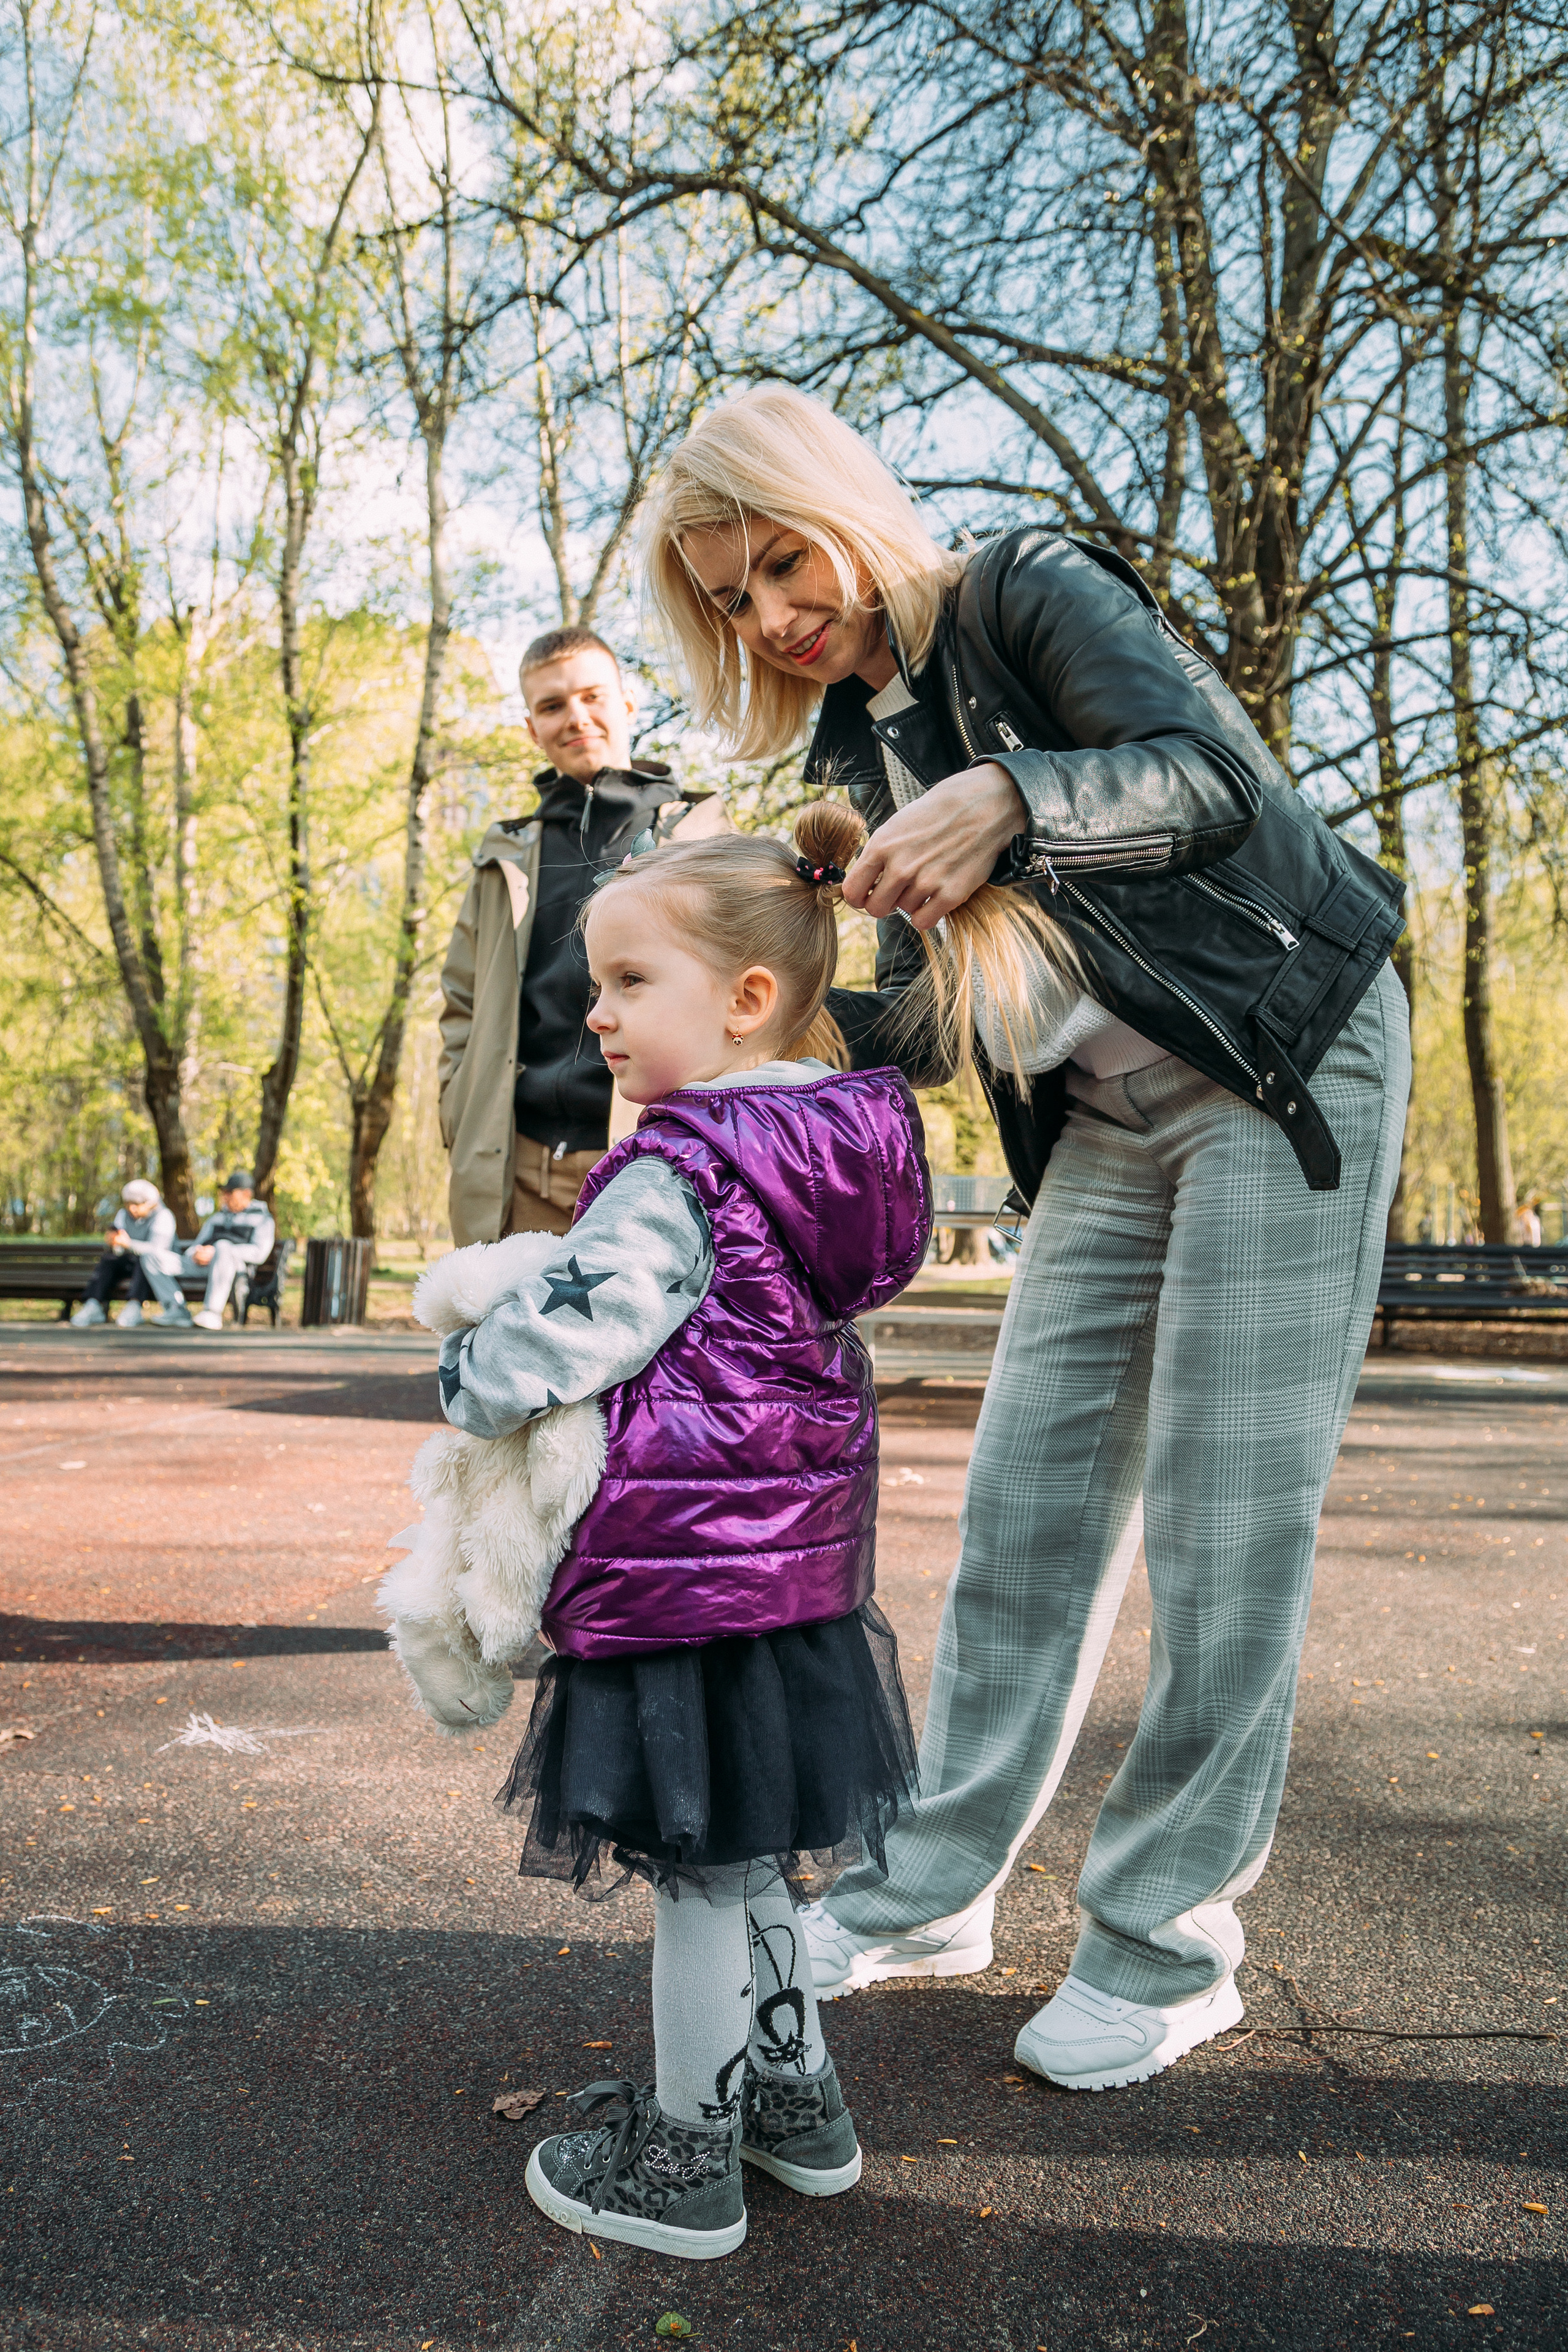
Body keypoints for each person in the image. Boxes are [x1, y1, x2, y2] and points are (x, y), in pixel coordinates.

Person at [641, 384, 1409, 2094]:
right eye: (731, 600)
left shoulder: (1027, 593)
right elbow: (930, 1025)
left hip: (1280, 1054)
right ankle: (929, 1891)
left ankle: (1163, 1942)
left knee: (1226, 1517)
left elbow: (1219, 781)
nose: (774, 615)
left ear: (839, 503)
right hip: (1107, 1125)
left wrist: (1012, 796)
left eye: (780, 563)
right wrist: (759, 983)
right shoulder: (847, 746)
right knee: (1027, 1511)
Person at [432, 803, 929, 2259]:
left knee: (704, 1880)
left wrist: (466, 1369)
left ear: (746, 998)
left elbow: (581, 1329)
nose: (594, 1012)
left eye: (628, 981)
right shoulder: (822, 1152)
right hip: (788, 1582)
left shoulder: (682, 1165)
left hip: (688, 1584)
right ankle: (795, 2109)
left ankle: (682, 2160)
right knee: (758, 1860)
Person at [437, 627, 726, 1250]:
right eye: (552, 706)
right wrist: (460, 1117)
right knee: (503, 1345)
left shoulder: (702, 840)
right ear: (531, 728)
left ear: (626, 704)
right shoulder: (505, 856)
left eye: (592, 697)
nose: (575, 718)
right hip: (513, 1170)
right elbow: (461, 1005)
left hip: (655, 1157)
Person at [70, 1181, 185, 1329]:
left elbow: (157, 1252)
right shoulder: (123, 1215)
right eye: (128, 1204)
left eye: (137, 1204)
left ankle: (134, 1306)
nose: (132, 1209)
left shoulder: (164, 1216)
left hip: (159, 1269)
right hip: (130, 1262)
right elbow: (118, 1246)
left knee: (145, 1260)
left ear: (151, 1203)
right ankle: (94, 1304)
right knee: (108, 1260)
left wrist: (129, 1244)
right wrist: (113, 1242)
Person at [176, 1172, 276, 1332]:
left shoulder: (263, 1219)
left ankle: (212, 1313)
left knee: (223, 1246)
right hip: (204, 1266)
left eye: (230, 1192)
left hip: (237, 1271)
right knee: (154, 1258)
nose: (225, 1196)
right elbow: (198, 1244)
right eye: (224, 1193)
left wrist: (220, 1251)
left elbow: (259, 1253)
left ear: (247, 1194)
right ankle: (175, 1311)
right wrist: (195, 1253)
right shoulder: (217, 1218)